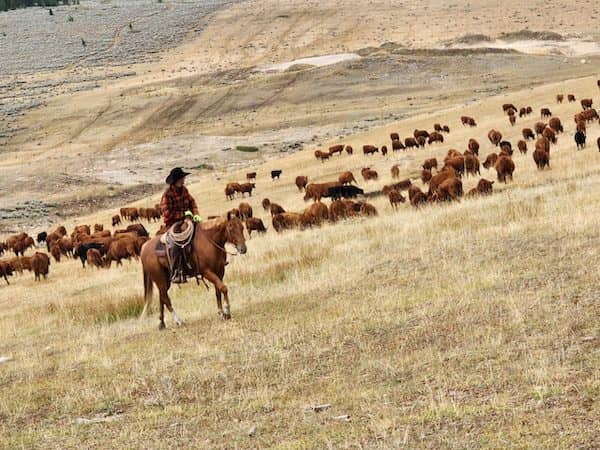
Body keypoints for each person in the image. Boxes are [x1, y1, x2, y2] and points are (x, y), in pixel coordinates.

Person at [160, 168, 202, 283]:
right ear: (177, 180)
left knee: (201, 232)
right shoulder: (167, 195)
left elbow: (192, 203)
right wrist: (183, 215)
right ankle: (176, 272)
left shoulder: (184, 190)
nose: (184, 180)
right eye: (182, 178)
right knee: (175, 244)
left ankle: (204, 262)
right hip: (173, 223)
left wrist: (196, 214)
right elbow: (167, 213)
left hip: (187, 220)